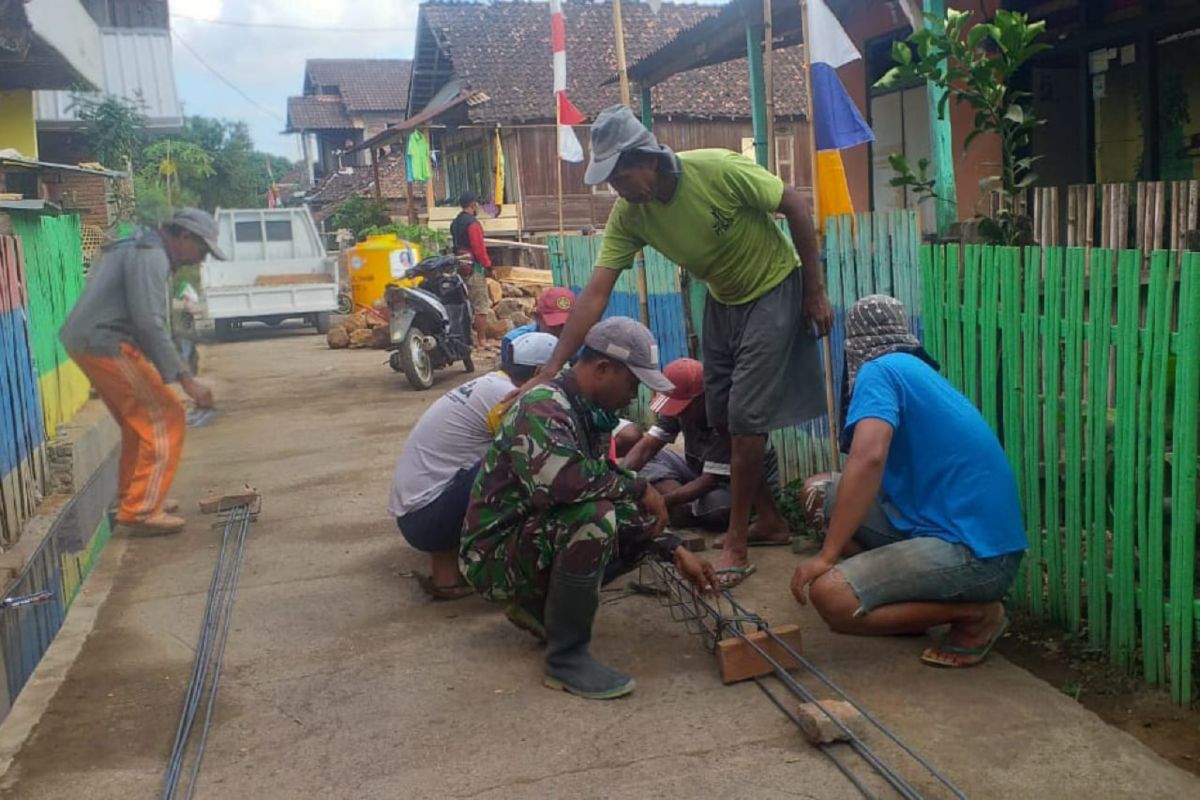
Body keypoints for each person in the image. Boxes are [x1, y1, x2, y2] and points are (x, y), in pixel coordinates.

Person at [524, 105, 833, 588]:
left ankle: (736, 543)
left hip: (774, 286)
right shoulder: (631, 215)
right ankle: (771, 521)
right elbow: (596, 292)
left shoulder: (717, 169)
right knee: (723, 411)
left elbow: (793, 202)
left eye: (620, 176)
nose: (616, 189)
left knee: (747, 417)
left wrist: (814, 290)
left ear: (646, 158)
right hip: (722, 299)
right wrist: (552, 366)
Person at [461, 316, 718, 700]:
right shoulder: (542, 406)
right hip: (492, 557)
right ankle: (566, 659)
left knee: (638, 520)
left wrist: (674, 548)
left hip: (528, 533)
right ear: (602, 368)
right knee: (595, 518)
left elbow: (607, 487)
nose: (635, 396)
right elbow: (564, 484)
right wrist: (639, 485)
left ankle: (538, 606)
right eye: (633, 383)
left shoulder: (587, 412)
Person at [789, 295, 1027, 668]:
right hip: (959, 533)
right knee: (820, 494)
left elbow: (869, 457)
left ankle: (977, 615)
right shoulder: (914, 371)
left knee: (832, 597)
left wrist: (827, 556)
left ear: (854, 343)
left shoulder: (878, 370)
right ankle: (905, 601)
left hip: (974, 554)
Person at [60, 208, 220, 534]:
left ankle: (132, 498)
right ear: (184, 236)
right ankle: (142, 509)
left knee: (139, 422)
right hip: (106, 343)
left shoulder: (136, 246)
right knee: (165, 415)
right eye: (202, 249)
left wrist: (171, 369)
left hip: (91, 340)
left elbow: (144, 320)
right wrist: (187, 381)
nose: (200, 259)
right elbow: (149, 322)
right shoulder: (151, 255)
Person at [389, 332, 558, 600]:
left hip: (416, 514)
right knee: (523, 469)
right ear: (539, 371)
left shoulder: (490, 384)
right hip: (428, 519)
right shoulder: (508, 398)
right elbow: (538, 455)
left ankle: (448, 573)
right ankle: (514, 572)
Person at [623, 358, 782, 533]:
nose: (679, 415)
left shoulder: (727, 415)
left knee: (718, 506)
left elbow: (710, 481)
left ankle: (680, 507)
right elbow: (647, 447)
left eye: (683, 408)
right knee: (653, 460)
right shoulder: (680, 405)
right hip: (699, 471)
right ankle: (684, 506)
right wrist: (619, 479)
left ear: (703, 398)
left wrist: (660, 502)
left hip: (736, 486)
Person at [449, 191, 495, 348]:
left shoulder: (455, 223)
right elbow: (479, 249)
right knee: (480, 306)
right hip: (473, 268)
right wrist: (488, 266)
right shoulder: (473, 224)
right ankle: (481, 341)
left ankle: (466, 338)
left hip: (459, 267)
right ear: (473, 205)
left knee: (464, 304)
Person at [499, 286, 575, 365]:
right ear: (538, 317)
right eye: (554, 326)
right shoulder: (513, 342)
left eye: (565, 325)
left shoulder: (583, 339)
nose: (561, 331)